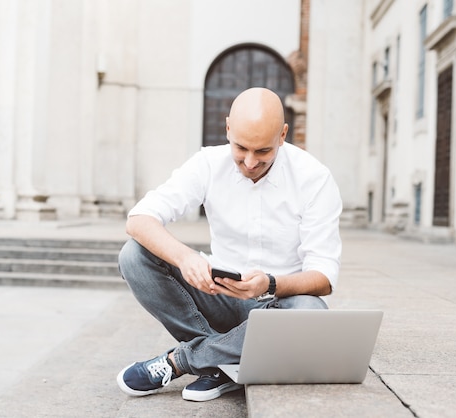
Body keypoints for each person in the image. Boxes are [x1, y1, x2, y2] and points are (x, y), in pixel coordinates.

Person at [116, 87, 342, 402]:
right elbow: (138, 219)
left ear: (282, 135)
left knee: (311, 313)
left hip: (282, 305)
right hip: (219, 296)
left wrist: (270, 283)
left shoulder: (314, 178)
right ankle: (224, 360)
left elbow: (324, 278)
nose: (250, 162)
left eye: (263, 151)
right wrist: (185, 258)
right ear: (227, 129)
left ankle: (186, 360)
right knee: (134, 255)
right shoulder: (208, 163)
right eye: (241, 148)